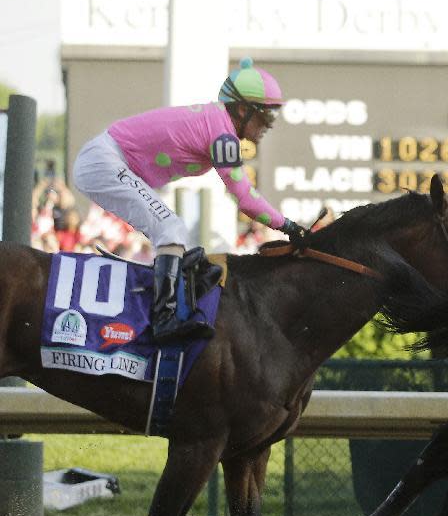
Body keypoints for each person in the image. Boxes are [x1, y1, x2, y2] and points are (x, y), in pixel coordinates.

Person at [71, 57, 307, 344]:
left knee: (182, 244)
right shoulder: (223, 136)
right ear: (243, 109)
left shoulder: (217, 122)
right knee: (172, 230)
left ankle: (167, 310)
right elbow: (245, 198)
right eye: (266, 116)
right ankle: (163, 320)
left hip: (106, 160)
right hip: (103, 162)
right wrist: (291, 227)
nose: (269, 125)